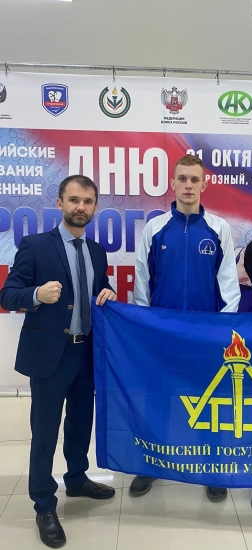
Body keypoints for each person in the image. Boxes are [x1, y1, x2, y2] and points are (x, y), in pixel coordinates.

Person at [0, 175, 117, 548]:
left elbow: (98, 288)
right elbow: (8, 294)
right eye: (74, 200)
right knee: (45, 431)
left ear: (95, 207)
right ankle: (44, 504)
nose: (81, 207)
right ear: (60, 203)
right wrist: (36, 294)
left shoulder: (97, 251)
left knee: (81, 423)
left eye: (88, 201)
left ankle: (77, 478)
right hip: (51, 353)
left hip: (87, 352)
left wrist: (107, 291)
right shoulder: (35, 245)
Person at [130, 154, 241, 502]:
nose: (189, 185)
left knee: (210, 401)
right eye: (183, 179)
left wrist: (223, 330)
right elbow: (142, 282)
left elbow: (229, 284)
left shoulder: (219, 228)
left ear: (204, 184)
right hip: (163, 333)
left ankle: (213, 467)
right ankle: (151, 464)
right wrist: (145, 327)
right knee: (158, 399)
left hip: (206, 334)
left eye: (195, 179)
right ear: (172, 184)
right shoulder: (155, 228)